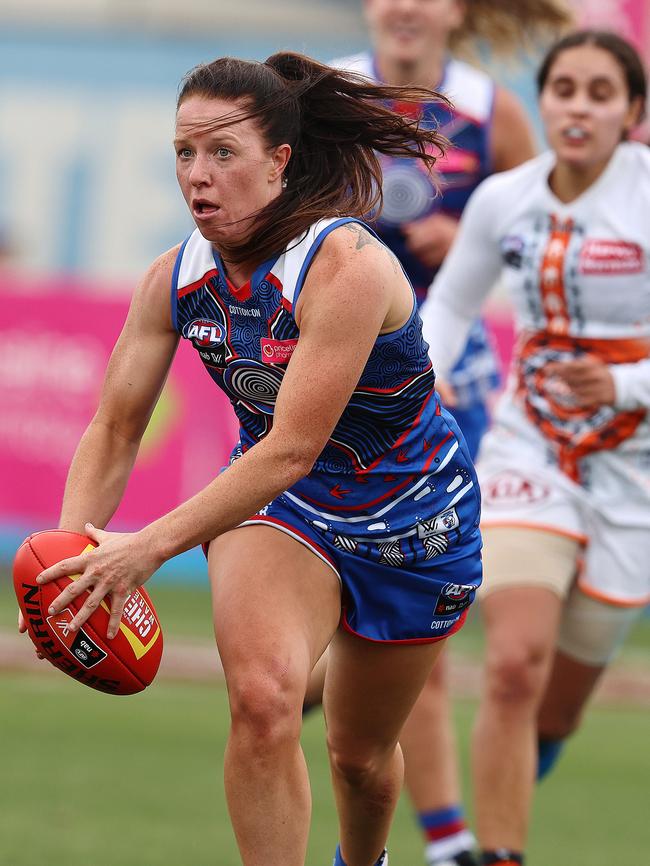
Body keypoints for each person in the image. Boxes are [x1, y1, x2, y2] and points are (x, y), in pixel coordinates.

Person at [21, 53, 485, 866]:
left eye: (223, 153)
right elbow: (116, 427)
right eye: (184, 153)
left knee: (361, 758)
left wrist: (145, 548)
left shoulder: (343, 266)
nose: (198, 176)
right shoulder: (174, 277)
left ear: (280, 163)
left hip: (416, 522)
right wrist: (73, 563)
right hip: (284, 514)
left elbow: (293, 448)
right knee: (266, 701)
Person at [306, 3, 571, 865]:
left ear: (457, 9)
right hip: (337, 380)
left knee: (425, 614)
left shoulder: (493, 112)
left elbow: (547, 230)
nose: (408, 6)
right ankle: (448, 836)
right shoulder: (323, 91)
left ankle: (448, 834)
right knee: (392, 616)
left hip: (451, 383)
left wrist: (472, 242)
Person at [419, 30, 650, 866]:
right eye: (564, 89)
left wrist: (624, 387)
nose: (579, 107)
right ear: (544, 98)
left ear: (634, 111)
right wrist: (424, 375)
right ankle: (496, 855)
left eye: (600, 92)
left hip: (636, 478)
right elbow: (448, 306)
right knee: (514, 663)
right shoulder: (502, 198)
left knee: (555, 711)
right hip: (529, 451)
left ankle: (519, 779)